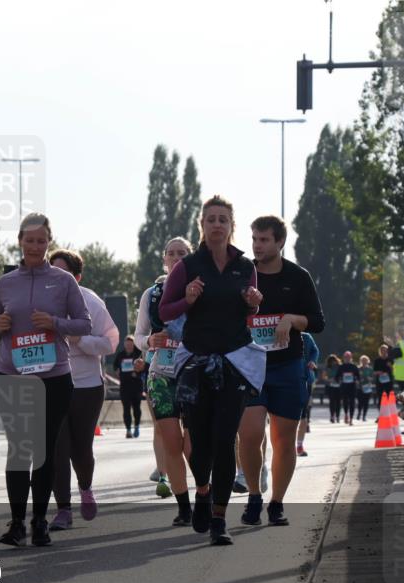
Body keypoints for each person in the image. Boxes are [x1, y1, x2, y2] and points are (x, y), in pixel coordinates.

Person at [158, 195, 264, 546]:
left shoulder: (244, 266)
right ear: (201, 225)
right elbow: (166, 310)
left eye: (223, 219)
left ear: (232, 225)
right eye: (210, 219)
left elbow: (250, 312)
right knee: (199, 444)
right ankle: (201, 488)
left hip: (233, 362)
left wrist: (253, 304)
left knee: (224, 440)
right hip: (196, 363)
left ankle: (219, 517)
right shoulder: (187, 266)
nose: (217, 225)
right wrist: (187, 298)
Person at [0, 212, 91, 547]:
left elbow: (84, 323)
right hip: (11, 374)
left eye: (41, 241)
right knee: (19, 449)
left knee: (43, 450)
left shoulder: (63, 281)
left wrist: (56, 322)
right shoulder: (6, 282)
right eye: (29, 240)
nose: (34, 246)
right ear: (19, 241)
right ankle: (17, 523)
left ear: (49, 242)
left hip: (53, 377)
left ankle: (40, 521)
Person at [237, 215, 325, 527]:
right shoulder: (243, 275)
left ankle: (276, 503)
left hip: (288, 367)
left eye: (263, 240)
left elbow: (317, 322)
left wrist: (291, 318)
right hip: (250, 368)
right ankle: (253, 495)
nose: (257, 245)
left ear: (279, 243)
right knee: (248, 435)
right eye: (254, 239)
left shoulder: (298, 276)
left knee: (283, 440)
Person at [47, 249, 119, 530]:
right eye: (52, 273)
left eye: (64, 274)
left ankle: (86, 488)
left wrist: (81, 340)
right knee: (57, 447)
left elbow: (111, 343)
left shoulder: (91, 302)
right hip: (52, 384)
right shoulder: (40, 303)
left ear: (77, 277)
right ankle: (63, 509)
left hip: (86, 386)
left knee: (81, 448)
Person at [133, 236, 195, 525]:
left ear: (191, 257)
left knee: (193, 445)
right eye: (171, 253)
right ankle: (184, 507)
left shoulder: (202, 290)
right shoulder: (152, 294)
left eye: (182, 253)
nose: (176, 257)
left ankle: (203, 494)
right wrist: (150, 341)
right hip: (161, 374)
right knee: (171, 441)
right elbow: (140, 336)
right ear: (164, 260)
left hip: (196, 372)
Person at [112, 337, 144, 438]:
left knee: (136, 408)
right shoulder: (120, 355)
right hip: (124, 386)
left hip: (136, 385)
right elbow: (115, 366)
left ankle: (137, 426)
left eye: (131, 343)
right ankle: (128, 430)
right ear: (124, 344)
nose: (129, 345)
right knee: (126, 408)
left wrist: (138, 373)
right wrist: (117, 370)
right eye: (127, 343)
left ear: (133, 344)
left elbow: (144, 367)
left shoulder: (138, 354)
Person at [296, 331, 319, 456]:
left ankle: (299, 445)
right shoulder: (279, 332)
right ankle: (286, 445)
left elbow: (315, 351)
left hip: (305, 379)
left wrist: (312, 361)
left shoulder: (306, 336)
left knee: (303, 414)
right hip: (285, 380)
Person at [335, 351, 359, 426]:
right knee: (345, 402)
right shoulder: (341, 367)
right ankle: (346, 414)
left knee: (352, 402)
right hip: (344, 387)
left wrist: (356, 379)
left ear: (351, 358)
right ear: (344, 358)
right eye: (346, 357)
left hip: (352, 387)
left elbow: (358, 376)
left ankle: (351, 419)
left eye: (348, 357)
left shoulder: (354, 366)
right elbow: (336, 377)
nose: (347, 359)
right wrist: (340, 380)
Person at [373, 345, 393, 413]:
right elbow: (374, 372)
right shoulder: (377, 360)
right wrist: (378, 372)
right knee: (380, 397)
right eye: (382, 350)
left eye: (385, 350)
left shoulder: (390, 360)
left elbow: (395, 371)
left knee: (388, 397)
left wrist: (391, 367)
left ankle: (388, 413)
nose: (384, 352)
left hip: (389, 381)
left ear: (387, 351)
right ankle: (381, 413)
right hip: (380, 381)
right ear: (380, 351)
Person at [324, 355, 341, 423]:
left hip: (339, 386)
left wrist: (339, 379)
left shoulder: (340, 367)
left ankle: (337, 416)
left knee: (338, 402)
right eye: (331, 361)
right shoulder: (327, 367)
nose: (333, 362)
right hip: (330, 386)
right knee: (332, 402)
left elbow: (342, 375)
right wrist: (328, 380)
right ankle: (332, 416)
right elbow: (324, 376)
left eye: (334, 360)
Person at [357, 354, 374, 422]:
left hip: (367, 388)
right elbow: (356, 377)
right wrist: (357, 381)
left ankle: (364, 416)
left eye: (365, 360)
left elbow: (373, 378)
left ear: (368, 361)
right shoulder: (358, 368)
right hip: (360, 387)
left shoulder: (370, 369)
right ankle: (359, 413)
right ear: (361, 361)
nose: (364, 361)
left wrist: (369, 378)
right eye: (363, 360)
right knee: (360, 402)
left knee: (366, 402)